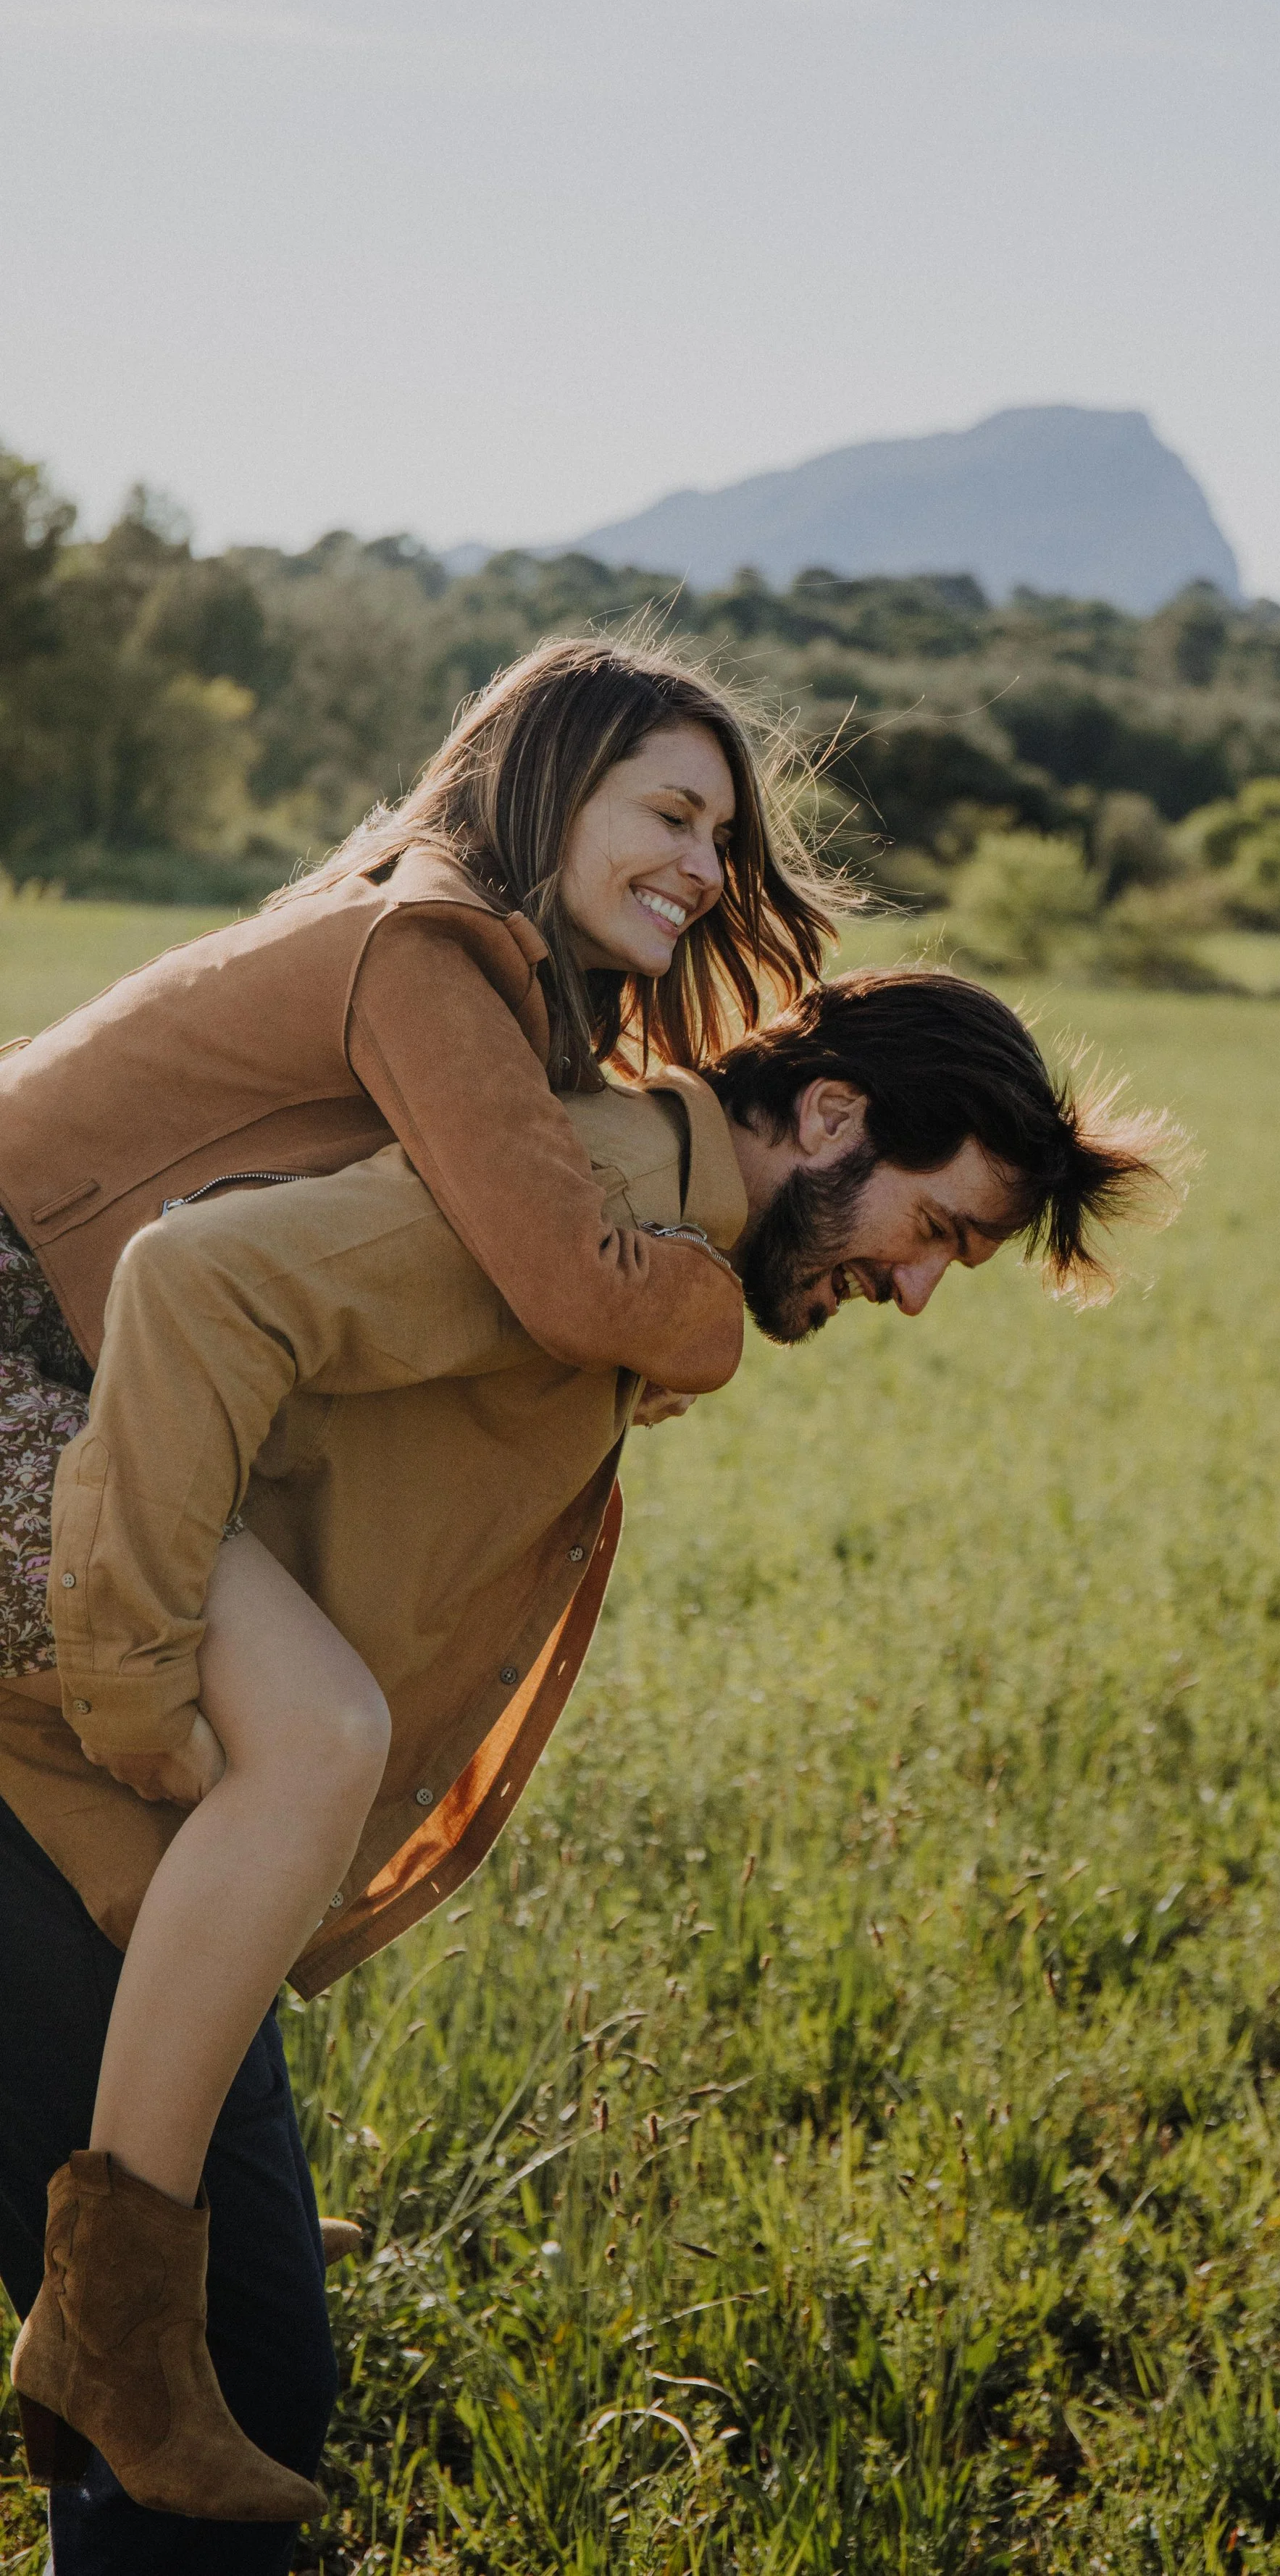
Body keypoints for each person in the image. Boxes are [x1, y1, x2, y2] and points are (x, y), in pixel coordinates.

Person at [1, 965, 1178, 2568]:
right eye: (936, 1231)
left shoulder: (638, 1251)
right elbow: (204, 1275)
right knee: (238, 2376)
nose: (916, 1293)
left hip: (116, 1810)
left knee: (235, 2319)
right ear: (831, 1113)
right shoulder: (593, 1206)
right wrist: (134, 1680)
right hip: (49, 1779)